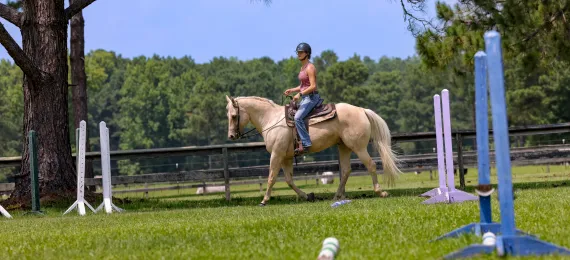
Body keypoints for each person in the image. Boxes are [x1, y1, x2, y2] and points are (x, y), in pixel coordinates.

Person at [283, 42, 320, 155]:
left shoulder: (310, 67)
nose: (298, 54)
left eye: (301, 52)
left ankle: (306, 143)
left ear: (307, 53)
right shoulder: (302, 67)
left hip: (311, 98)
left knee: (298, 117)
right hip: (305, 97)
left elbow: (313, 86)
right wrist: (293, 90)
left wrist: (300, 94)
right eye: (297, 52)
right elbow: (303, 85)